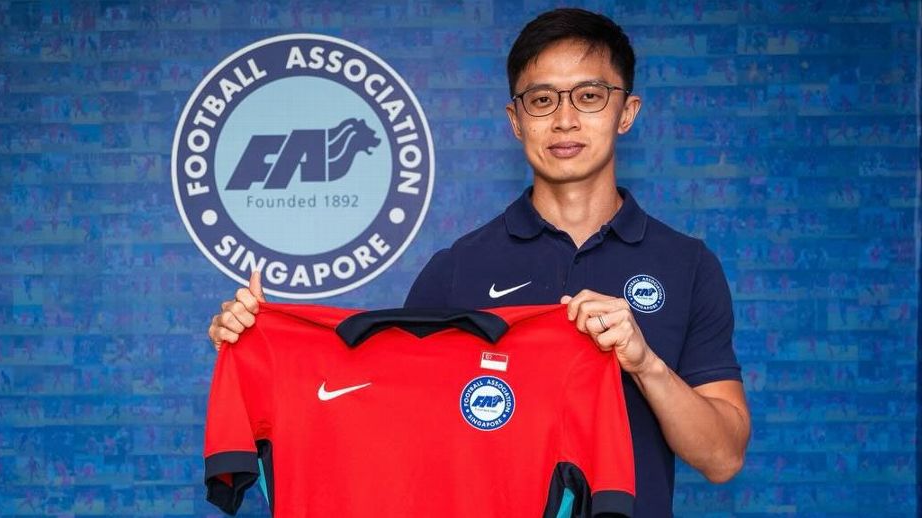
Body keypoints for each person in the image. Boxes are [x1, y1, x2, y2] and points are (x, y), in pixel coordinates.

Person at [207, 8, 749, 517]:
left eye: (589, 96)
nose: (564, 120)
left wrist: (645, 363)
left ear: (626, 112)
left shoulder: (687, 265)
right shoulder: (457, 269)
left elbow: (723, 458)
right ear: (516, 120)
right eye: (541, 100)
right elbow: (380, 418)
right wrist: (262, 347)